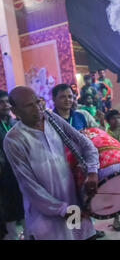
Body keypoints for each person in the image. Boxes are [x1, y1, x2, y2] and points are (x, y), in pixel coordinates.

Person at [3, 86, 99, 240]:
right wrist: (62, 210)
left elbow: (86, 144)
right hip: (47, 218)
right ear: (15, 111)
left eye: (38, 102)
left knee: (78, 235)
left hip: (73, 205)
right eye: (29, 105)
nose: (37, 108)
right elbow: (29, 186)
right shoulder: (14, 139)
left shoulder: (51, 118)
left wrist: (93, 171)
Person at [0, 90, 23, 240]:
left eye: (7, 101)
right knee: (7, 217)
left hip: (19, 174)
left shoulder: (16, 123)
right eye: (1, 102)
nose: (6, 105)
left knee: (24, 210)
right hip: (3, 178)